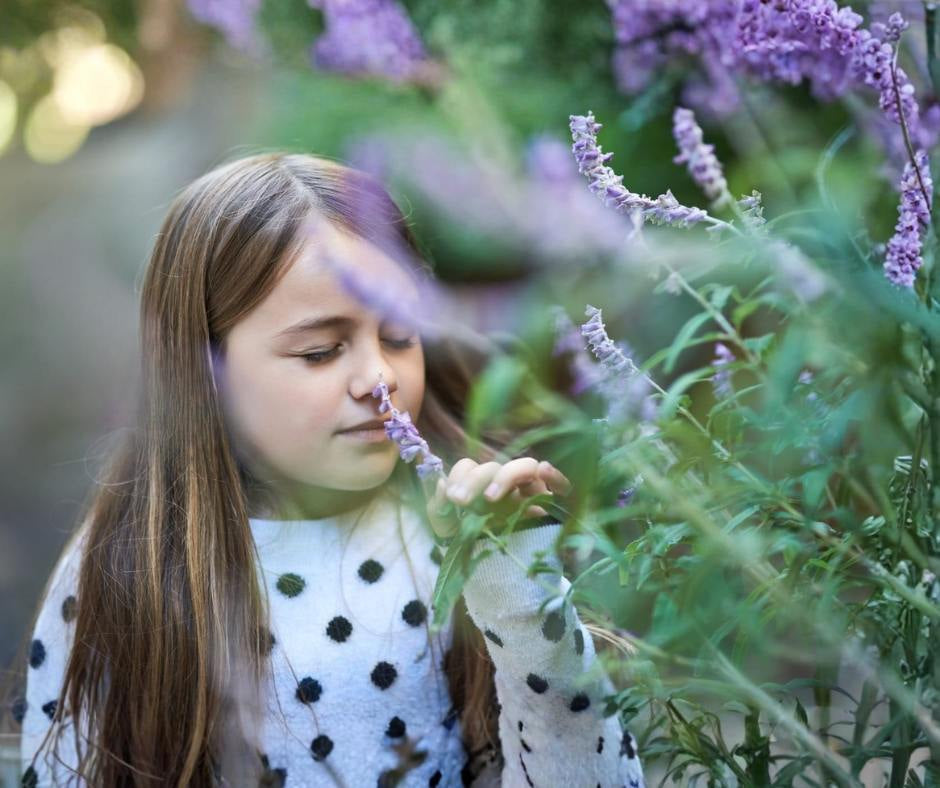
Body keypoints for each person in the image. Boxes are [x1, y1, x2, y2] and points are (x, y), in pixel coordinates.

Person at [12, 152, 646, 786]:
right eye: (320, 351)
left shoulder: (469, 532)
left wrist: (518, 594)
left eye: (400, 334)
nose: (380, 378)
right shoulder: (128, 561)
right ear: (205, 372)